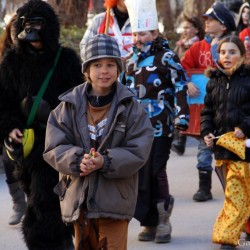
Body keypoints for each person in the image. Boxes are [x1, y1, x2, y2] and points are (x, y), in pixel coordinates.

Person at [43, 33, 154, 250]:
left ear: (118, 69)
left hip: (116, 200)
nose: (104, 71)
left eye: (111, 65)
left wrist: (107, 161)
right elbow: (54, 147)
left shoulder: (131, 107)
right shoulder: (67, 107)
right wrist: (76, 160)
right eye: (97, 65)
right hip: (79, 199)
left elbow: (139, 148)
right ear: (86, 71)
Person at [0, 0, 83, 249]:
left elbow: (78, 100)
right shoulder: (11, 62)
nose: (32, 33)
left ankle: (51, 243)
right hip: (27, 145)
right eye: (27, 25)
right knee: (39, 197)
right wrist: (9, 126)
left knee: (48, 199)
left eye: (37, 24)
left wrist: (55, 116)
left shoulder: (66, 60)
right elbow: (3, 100)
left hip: (60, 142)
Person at [123, 0, 189, 243]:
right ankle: (148, 221)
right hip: (135, 128)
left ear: (155, 33)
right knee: (140, 172)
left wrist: (182, 116)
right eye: (136, 33)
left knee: (157, 170)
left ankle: (163, 219)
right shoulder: (128, 60)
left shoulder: (168, 57)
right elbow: (121, 91)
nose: (139, 37)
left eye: (144, 33)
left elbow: (180, 85)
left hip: (162, 125)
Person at [181, 2, 236, 202]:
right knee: (205, 146)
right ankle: (204, 187)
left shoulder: (233, 46)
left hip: (229, 108)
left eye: (211, 20)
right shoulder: (198, 47)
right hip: (206, 108)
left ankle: (233, 184)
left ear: (223, 26)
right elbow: (182, 67)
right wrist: (187, 82)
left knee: (229, 147)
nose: (207, 22)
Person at [201, 35, 250, 250]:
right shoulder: (213, 81)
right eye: (223, 52)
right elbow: (208, 112)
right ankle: (246, 230)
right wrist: (206, 131)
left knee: (235, 193)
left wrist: (245, 127)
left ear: (242, 56)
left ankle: (228, 239)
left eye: (232, 52)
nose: (227, 56)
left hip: (244, 147)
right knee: (237, 192)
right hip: (222, 148)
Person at [0, 14, 27, 226]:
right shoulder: (4, 58)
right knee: (9, 159)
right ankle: (19, 203)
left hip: (36, 116)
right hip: (9, 117)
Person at [172, 15, 205, 155]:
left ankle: (199, 139)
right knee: (181, 108)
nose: (184, 30)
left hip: (196, 85)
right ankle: (180, 142)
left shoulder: (199, 46)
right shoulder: (180, 45)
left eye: (187, 27)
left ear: (196, 30)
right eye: (183, 27)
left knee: (194, 111)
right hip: (181, 81)